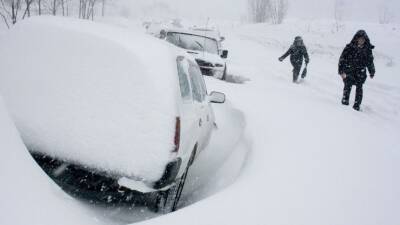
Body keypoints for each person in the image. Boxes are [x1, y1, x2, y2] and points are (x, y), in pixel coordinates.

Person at [338, 30, 375, 111]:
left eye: (363, 39)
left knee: (359, 89)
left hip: (360, 73)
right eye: (360, 39)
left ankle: (356, 106)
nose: (361, 41)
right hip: (349, 70)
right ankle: (345, 102)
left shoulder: (367, 49)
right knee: (347, 86)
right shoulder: (350, 47)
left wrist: (372, 71)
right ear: (356, 39)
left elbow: (370, 62)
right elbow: (342, 59)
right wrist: (341, 71)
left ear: (365, 40)